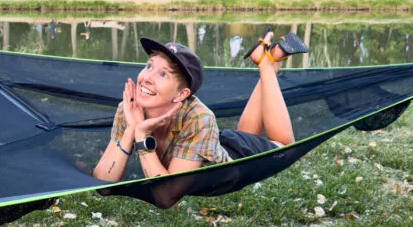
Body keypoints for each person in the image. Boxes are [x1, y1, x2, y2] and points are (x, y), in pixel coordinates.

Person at [92, 29, 303, 184]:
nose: (147, 78)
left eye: (163, 74)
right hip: (213, 143)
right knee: (242, 134)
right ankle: (268, 59)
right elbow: (102, 184)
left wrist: (141, 136)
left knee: (286, 147)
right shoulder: (130, 108)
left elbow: (167, 194)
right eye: (149, 66)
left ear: (182, 94)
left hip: (234, 161)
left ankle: (267, 64)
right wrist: (131, 128)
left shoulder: (198, 117)